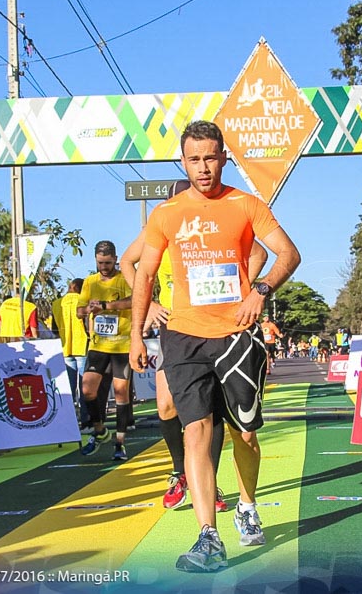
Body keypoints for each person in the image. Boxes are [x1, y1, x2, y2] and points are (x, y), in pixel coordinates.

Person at [129, 120, 301, 572]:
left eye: (210, 158)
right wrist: (137, 332)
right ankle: (208, 535)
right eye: (194, 159)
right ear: (182, 163)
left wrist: (258, 293)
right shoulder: (166, 213)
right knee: (196, 431)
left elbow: (288, 253)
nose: (203, 168)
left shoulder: (246, 205)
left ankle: (247, 503)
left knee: (245, 431)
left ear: (223, 158)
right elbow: (144, 274)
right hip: (183, 334)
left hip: (234, 334)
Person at [121, 183, 266, 512]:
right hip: (176, 328)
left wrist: (242, 290)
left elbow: (259, 253)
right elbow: (129, 264)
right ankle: (178, 470)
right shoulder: (163, 223)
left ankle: (209, 483)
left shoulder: (218, 222)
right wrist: (153, 305)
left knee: (209, 414)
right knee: (165, 406)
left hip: (218, 326)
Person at [77, 240, 133, 461]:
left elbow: (134, 300)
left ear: (115, 259)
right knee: (88, 390)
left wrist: (106, 306)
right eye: (101, 262)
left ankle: (119, 443)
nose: (104, 267)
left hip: (122, 345)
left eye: (108, 263)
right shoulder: (90, 281)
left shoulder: (124, 278)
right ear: (95, 260)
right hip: (98, 345)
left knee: (121, 393)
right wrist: (87, 309)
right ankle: (100, 430)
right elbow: (79, 311)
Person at [51, 279, 90, 431]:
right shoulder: (83, 301)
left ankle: (68, 424)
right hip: (82, 347)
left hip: (65, 348)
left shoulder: (56, 303)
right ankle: (86, 422)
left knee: (68, 388)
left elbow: (54, 329)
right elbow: (87, 325)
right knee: (84, 387)